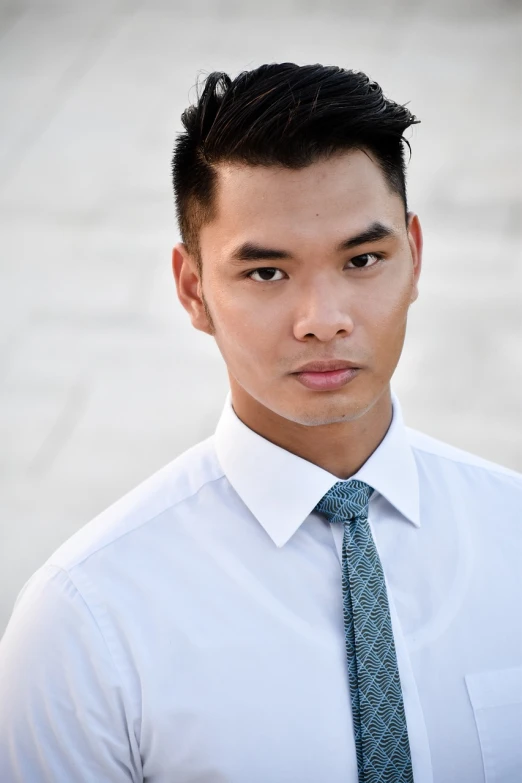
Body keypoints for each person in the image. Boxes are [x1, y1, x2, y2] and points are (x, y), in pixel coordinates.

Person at [0, 63, 520, 783]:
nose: (323, 320)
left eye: (363, 259)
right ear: (193, 289)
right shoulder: (86, 622)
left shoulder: (513, 535)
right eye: (267, 273)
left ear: (415, 257)